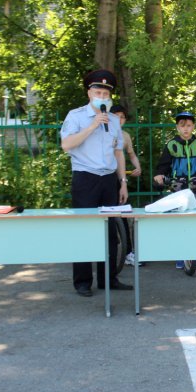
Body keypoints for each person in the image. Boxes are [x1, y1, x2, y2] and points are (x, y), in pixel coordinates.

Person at [60, 69, 133, 296]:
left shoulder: (114, 120)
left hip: (109, 179)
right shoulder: (76, 116)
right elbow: (66, 145)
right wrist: (92, 126)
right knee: (85, 231)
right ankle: (82, 282)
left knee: (110, 232)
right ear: (89, 93)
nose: (102, 96)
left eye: (105, 93)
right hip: (85, 178)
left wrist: (122, 182)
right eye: (98, 92)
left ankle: (108, 278)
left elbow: (118, 152)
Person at [154, 111, 196, 268]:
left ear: (193, 126)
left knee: (194, 222)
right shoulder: (171, 145)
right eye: (182, 126)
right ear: (177, 128)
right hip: (178, 189)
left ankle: (194, 257)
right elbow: (163, 165)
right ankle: (180, 256)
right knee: (180, 222)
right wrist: (160, 175)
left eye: (189, 125)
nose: (186, 129)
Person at [110, 105, 144, 268]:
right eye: (115, 116)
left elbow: (131, 155)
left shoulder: (125, 136)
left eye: (122, 117)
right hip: (103, 178)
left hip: (119, 179)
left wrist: (137, 167)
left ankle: (128, 252)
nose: (119, 120)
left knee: (123, 214)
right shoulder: (100, 133)